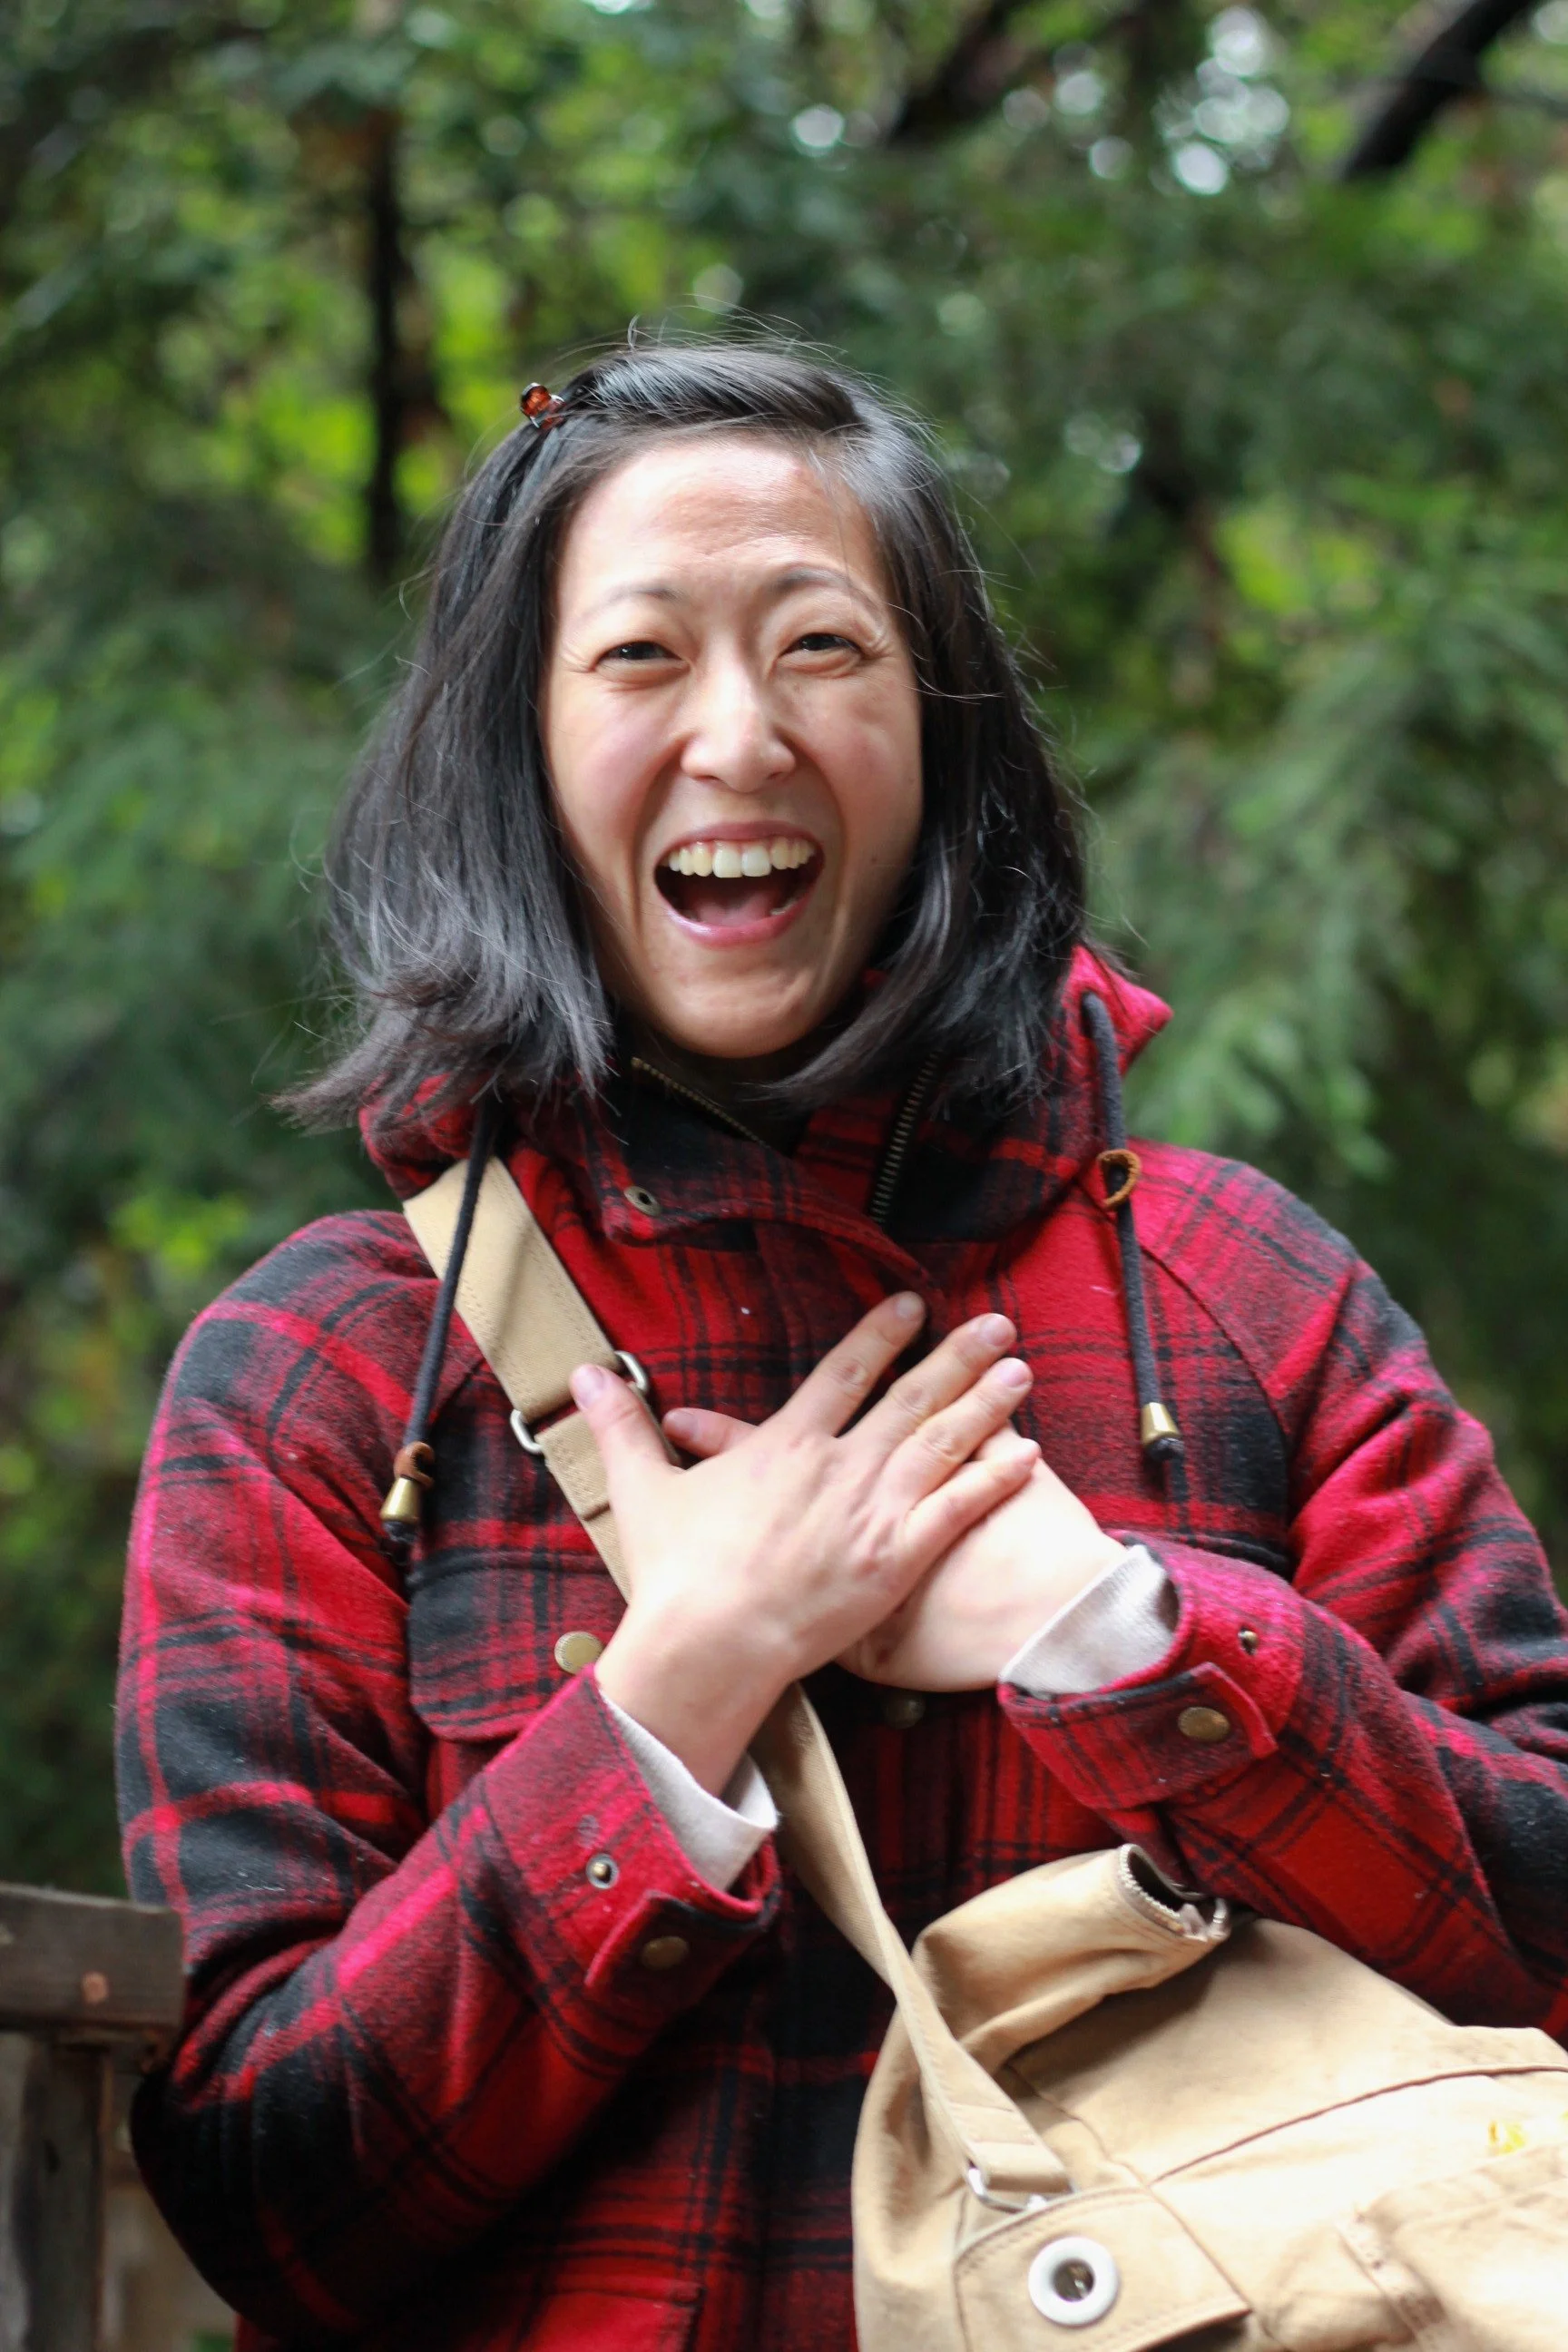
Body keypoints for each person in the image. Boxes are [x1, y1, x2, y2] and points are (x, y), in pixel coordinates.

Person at [118, 340, 1568, 2352]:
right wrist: (674, 1693)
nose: (740, 736)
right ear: (514, 748)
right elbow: (277, 2204)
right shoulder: (328, 1376)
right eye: (640, 660)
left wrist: (1125, 1639)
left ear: (941, 739)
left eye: (822, 648)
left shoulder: (1251, 1294)